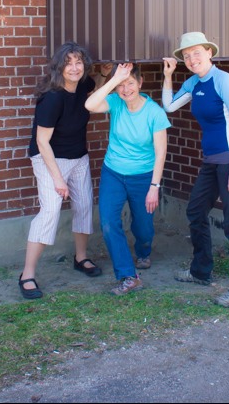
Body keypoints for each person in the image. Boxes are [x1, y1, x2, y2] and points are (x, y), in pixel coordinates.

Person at [162, 32, 229, 308]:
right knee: (195, 210)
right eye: (186, 56)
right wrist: (168, 76)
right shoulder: (193, 82)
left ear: (209, 53)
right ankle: (200, 271)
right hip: (212, 161)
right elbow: (169, 106)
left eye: (197, 53)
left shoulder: (224, 80)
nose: (192, 59)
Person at [18, 42, 112, 299]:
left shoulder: (82, 85)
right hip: (50, 159)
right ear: (58, 67)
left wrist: (103, 75)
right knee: (50, 211)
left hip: (78, 157)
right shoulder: (52, 98)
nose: (74, 67)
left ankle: (81, 258)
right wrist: (59, 180)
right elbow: (42, 142)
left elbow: (95, 89)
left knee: (83, 207)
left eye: (78, 62)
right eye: (68, 62)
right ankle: (27, 274)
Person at [85, 63, 170, 295]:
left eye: (130, 83)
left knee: (143, 227)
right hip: (113, 172)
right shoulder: (115, 102)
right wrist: (114, 81)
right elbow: (89, 104)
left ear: (140, 83)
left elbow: (160, 153)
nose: (125, 89)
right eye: (121, 85)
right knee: (109, 222)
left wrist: (154, 187)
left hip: (143, 176)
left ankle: (143, 252)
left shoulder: (154, 113)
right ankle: (127, 275)